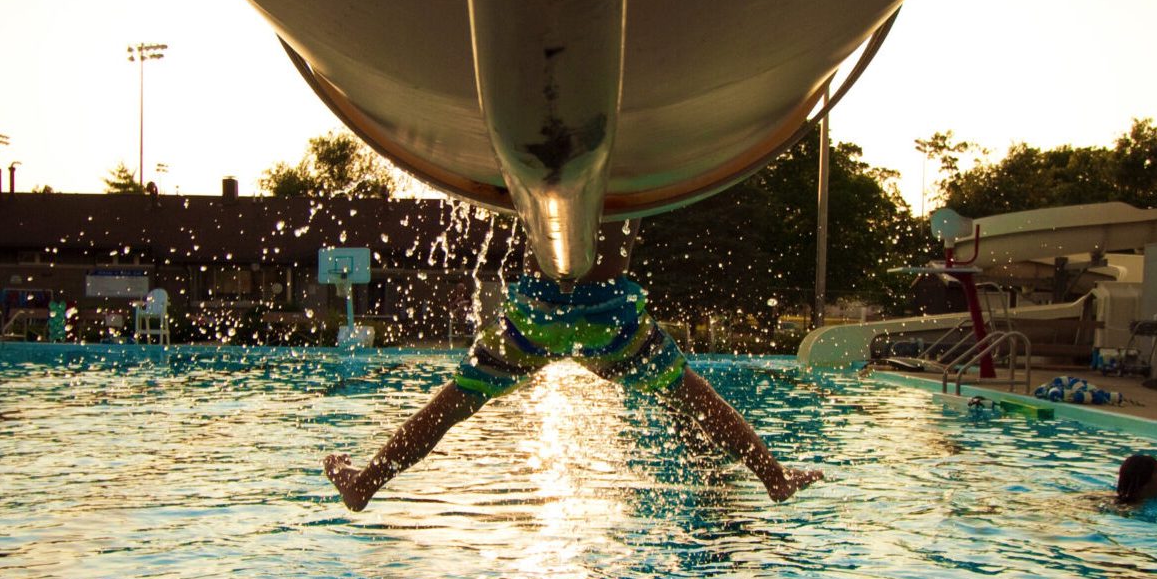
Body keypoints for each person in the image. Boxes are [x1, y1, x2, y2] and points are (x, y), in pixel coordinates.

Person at [323, 221, 823, 511]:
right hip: (610, 322)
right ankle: (772, 477)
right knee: (696, 398)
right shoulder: (639, 155)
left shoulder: (536, 155)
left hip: (535, 319)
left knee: (451, 407)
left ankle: (366, 483)